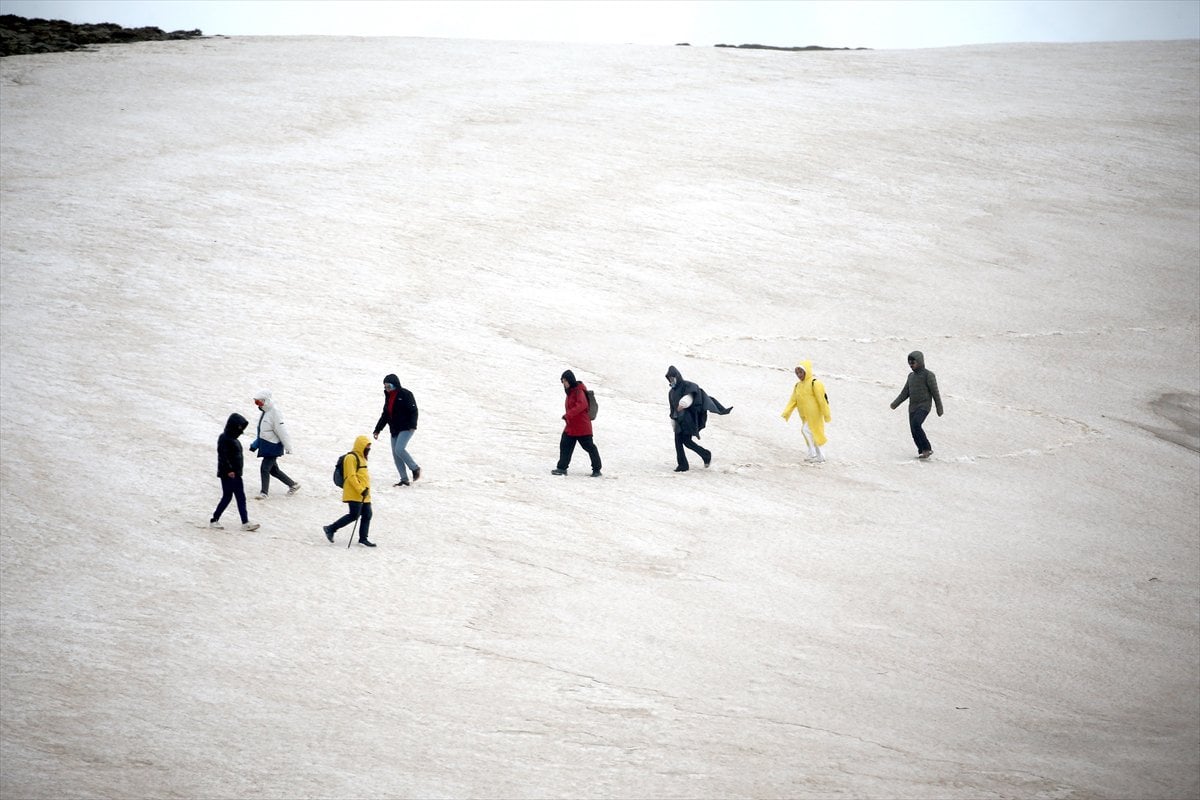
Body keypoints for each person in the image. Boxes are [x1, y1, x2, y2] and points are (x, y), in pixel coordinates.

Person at [209, 412, 260, 531]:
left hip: (235, 473)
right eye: (239, 427)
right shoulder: (224, 438)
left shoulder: (232, 438)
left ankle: (243, 522)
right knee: (230, 496)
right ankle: (215, 519)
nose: (241, 430)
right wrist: (229, 470)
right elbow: (223, 456)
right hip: (229, 474)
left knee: (237, 497)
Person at [890, 350, 944, 459]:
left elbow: (935, 393)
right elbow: (905, 393)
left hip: (924, 406)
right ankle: (922, 451)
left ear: (919, 361)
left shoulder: (928, 375)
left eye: (913, 363)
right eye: (909, 363)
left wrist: (939, 408)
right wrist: (895, 404)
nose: (911, 365)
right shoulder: (910, 376)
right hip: (912, 407)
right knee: (913, 430)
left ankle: (927, 448)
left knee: (916, 424)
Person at [323, 435, 376, 547]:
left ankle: (363, 538)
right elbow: (351, 476)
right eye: (367, 446)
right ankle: (330, 528)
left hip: (364, 494)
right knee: (354, 515)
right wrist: (361, 490)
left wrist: (365, 491)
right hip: (354, 493)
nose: (368, 449)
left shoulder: (362, 458)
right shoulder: (351, 458)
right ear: (361, 445)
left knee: (367, 514)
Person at [551, 370, 602, 477]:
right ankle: (561, 468)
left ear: (570, 380)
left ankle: (597, 469)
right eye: (562, 381)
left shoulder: (578, 391)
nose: (563, 383)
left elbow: (581, 405)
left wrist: (568, 415)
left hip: (582, 427)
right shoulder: (570, 392)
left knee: (589, 447)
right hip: (571, 427)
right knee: (565, 445)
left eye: (564, 380)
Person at [373, 373, 421, 487]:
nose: (387, 389)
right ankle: (404, 479)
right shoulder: (388, 397)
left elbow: (413, 410)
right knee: (395, 454)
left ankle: (415, 468)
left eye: (389, 386)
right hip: (395, 429)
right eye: (385, 386)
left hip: (406, 427)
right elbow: (385, 415)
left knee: (399, 449)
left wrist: (413, 425)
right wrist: (377, 429)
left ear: (395, 385)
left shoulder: (406, 394)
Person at [251, 389, 299, 499]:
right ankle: (293, 485)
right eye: (255, 402)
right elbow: (262, 432)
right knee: (273, 470)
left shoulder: (275, 413)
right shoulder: (264, 413)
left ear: (265, 401)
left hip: (273, 446)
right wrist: (255, 444)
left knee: (264, 468)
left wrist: (288, 447)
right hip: (266, 445)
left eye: (258, 402)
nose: (257, 405)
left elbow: (282, 431)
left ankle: (264, 493)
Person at [781, 359, 832, 462]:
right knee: (812, 433)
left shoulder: (815, 383)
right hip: (805, 416)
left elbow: (822, 400)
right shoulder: (798, 386)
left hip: (815, 415)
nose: (799, 375)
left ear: (807, 371)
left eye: (801, 372)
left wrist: (826, 415)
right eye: (797, 373)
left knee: (809, 431)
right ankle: (817, 455)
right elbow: (793, 400)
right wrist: (787, 412)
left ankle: (814, 454)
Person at [665, 365, 712, 472]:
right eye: (669, 379)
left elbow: (691, 395)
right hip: (678, 420)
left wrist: (683, 403)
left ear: (677, 376)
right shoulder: (671, 392)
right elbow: (672, 408)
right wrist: (673, 420)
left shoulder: (687, 385)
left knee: (686, 441)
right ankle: (683, 465)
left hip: (687, 419)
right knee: (678, 442)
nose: (671, 380)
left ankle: (705, 454)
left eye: (673, 378)